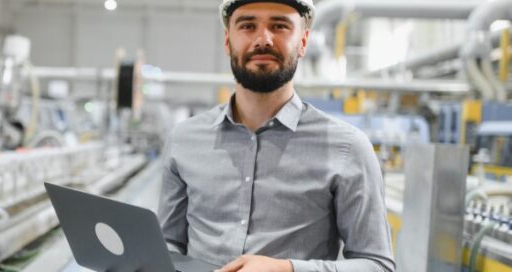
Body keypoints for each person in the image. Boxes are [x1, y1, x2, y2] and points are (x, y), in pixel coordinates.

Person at [157, 0, 395, 271]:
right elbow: (167, 244)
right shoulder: (184, 140)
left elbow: (377, 264)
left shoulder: (348, 148)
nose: (263, 39)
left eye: (279, 26)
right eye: (248, 26)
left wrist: (288, 269)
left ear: (303, 41)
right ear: (227, 40)